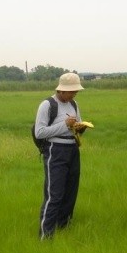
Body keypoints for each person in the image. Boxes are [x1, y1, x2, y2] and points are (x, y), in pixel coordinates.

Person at [35, 72, 87, 240]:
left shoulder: (74, 104)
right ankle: (46, 235)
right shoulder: (47, 105)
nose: (74, 94)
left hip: (73, 150)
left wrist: (80, 127)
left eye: (75, 92)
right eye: (72, 91)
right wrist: (64, 124)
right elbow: (40, 132)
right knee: (54, 194)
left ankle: (63, 228)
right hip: (55, 151)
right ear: (61, 90)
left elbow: (75, 126)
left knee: (71, 191)